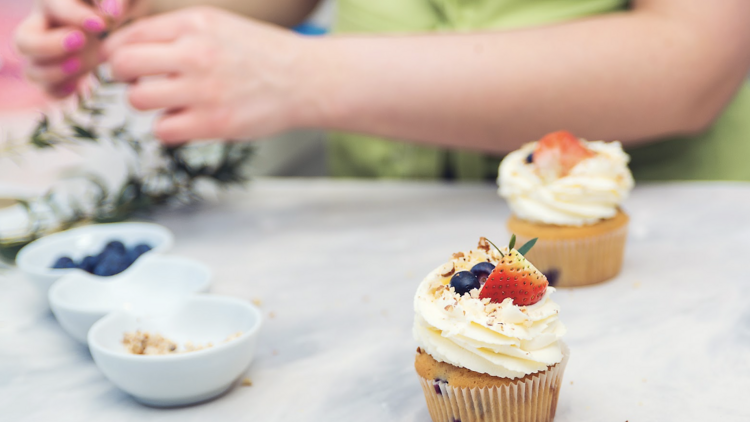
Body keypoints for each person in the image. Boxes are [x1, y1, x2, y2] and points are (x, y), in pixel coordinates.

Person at [14, 0, 750, 180]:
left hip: (650, 232)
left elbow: (690, 61)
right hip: (380, 224)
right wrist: (137, 20)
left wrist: (303, 75)